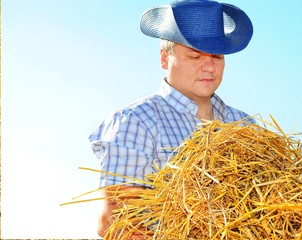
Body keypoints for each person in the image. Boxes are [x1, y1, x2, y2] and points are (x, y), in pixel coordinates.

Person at [89, 0, 255, 238]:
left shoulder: (246, 126)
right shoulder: (137, 121)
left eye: (217, 56)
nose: (209, 66)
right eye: (195, 56)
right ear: (165, 59)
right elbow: (116, 221)